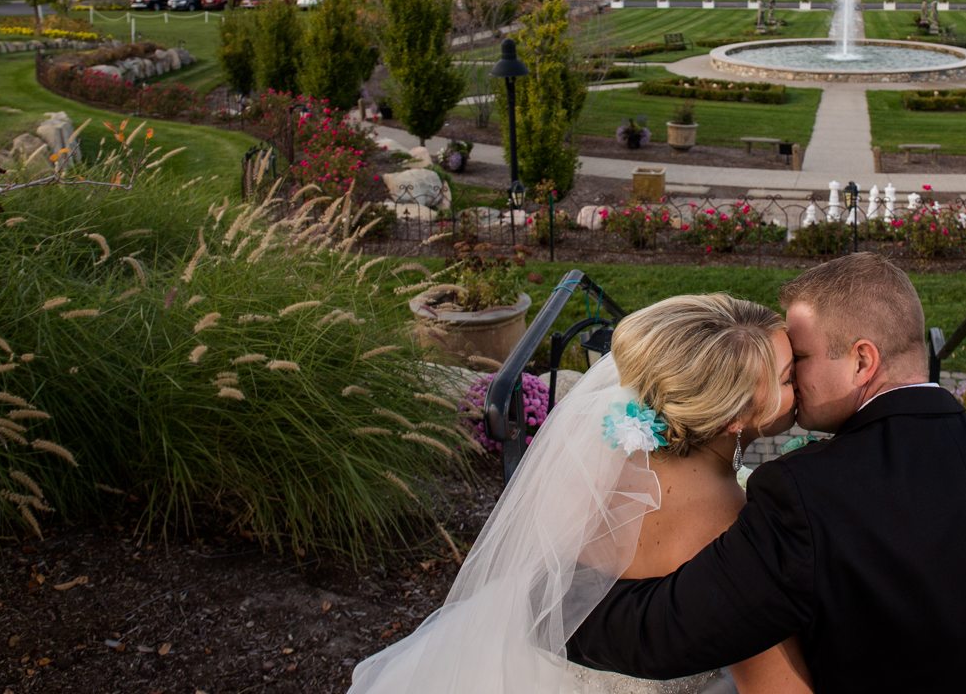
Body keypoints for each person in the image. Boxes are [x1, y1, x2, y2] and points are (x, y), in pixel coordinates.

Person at [568, 253, 966, 694]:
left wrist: (544, 600)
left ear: (863, 361)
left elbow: (663, 634)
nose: (792, 378)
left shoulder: (803, 494)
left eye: (800, 358)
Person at [348, 294, 812, 694]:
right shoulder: (726, 518)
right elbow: (773, 681)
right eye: (790, 378)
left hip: (512, 662)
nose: (802, 384)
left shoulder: (609, 450)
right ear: (733, 417)